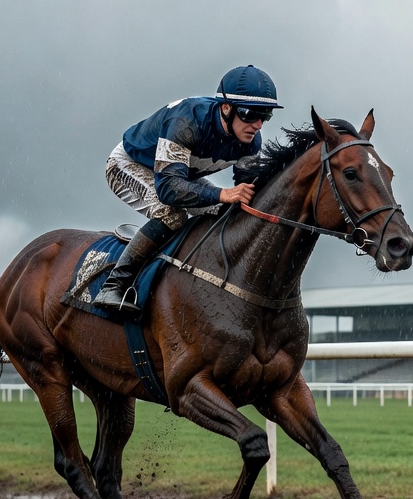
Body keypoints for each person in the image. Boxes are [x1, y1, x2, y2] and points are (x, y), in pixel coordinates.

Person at [94, 65, 282, 316]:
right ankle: (114, 284)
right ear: (226, 108)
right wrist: (221, 193)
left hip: (178, 174)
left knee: (226, 210)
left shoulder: (250, 142)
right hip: (129, 165)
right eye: (250, 114)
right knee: (172, 215)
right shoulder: (186, 122)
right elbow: (169, 190)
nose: (258, 125)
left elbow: (247, 191)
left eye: (265, 115)